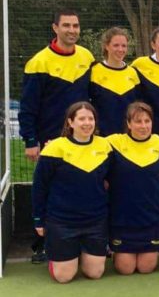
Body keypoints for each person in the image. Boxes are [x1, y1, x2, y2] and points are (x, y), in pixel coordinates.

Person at [19, 9, 95, 264]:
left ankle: (80, 242)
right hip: (49, 140)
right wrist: (30, 141)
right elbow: (28, 107)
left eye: (75, 25)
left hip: (82, 139)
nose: (72, 30)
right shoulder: (38, 62)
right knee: (47, 190)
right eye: (66, 26)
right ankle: (42, 244)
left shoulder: (86, 56)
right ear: (55, 28)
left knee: (78, 187)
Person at [31, 101, 112, 283]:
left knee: (94, 273)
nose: (87, 123)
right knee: (64, 277)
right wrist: (38, 219)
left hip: (95, 220)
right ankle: (60, 257)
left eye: (90, 118)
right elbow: (39, 187)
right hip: (61, 221)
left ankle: (79, 254)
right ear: (70, 122)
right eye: (81, 118)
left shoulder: (105, 147)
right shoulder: (54, 148)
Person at [106, 102, 159, 274]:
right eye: (138, 121)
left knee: (146, 268)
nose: (143, 126)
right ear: (129, 123)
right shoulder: (113, 142)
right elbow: (85, 145)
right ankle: (115, 252)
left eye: (147, 121)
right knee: (126, 269)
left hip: (150, 216)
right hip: (122, 218)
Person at [90, 27, 141, 136]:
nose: (120, 49)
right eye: (116, 45)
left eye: (124, 46)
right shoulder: (95, 71)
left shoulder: (133, 73)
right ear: (106, 46)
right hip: (102, 136)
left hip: (128, 136)